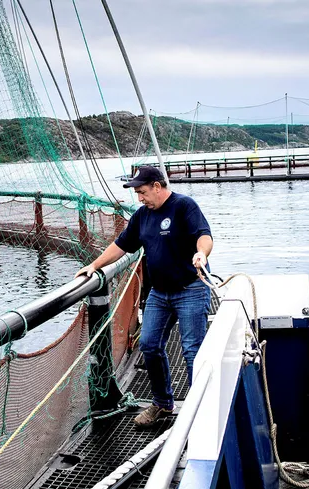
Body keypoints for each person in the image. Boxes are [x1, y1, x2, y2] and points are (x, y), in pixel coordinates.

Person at [76, 165, 213, 428]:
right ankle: (163, 404)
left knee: (193, 351)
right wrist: (95, 266)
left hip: (191, 290)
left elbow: (204, 236)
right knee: (149, 345)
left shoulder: (184, 206)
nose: (139, 198)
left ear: (157, 187)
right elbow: (121, 245)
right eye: (137, 193)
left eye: (142, 192)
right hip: (159, 293)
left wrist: (201, 254)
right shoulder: (142, 216)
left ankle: (201, 411)